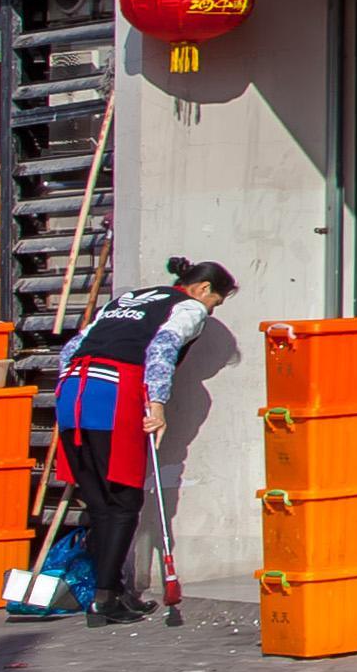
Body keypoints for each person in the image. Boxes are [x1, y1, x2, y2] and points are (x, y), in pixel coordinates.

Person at [49, 259, 231, 629]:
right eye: (216, 302)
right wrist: (157, 405)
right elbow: (163, 347)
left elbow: (72, 347)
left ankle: (110, 592)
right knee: (123, 500)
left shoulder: (127, 299)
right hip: (113, 392)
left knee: (99, 500)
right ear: (203, 288)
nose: (210, 310)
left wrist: (65, 396)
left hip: (72, 392)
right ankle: (105, 600)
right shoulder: (189, 307)